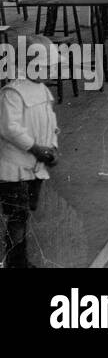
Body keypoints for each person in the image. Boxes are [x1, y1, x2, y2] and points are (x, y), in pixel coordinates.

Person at [0, 34, 59, 269]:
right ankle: (16, 262)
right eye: (46, 67)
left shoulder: (43, 91)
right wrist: (35, 148)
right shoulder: (12, 93)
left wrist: (52, 145)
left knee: (24, 213)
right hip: (13, 168)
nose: (50, 71)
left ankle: (17, 259)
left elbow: (50, 121)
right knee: (17, 217)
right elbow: (9, 128)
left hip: (35, 166)